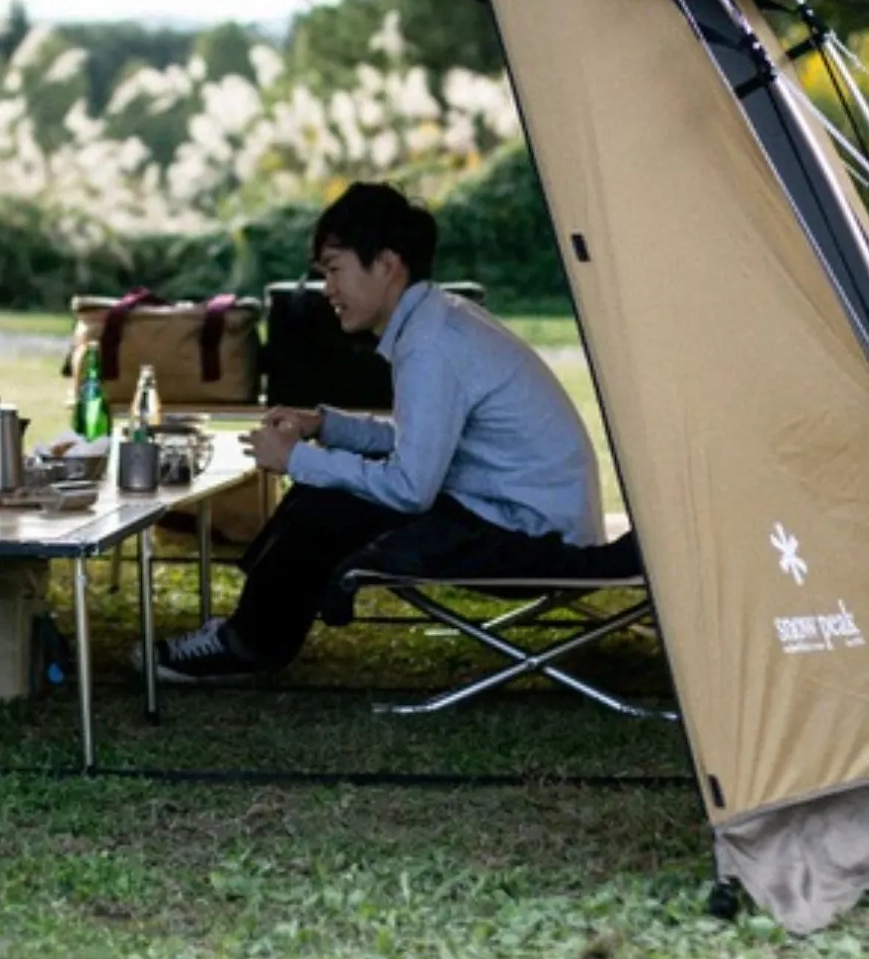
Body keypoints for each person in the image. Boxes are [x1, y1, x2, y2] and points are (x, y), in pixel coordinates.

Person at [153, 181, 606, 680]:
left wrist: (296, 458)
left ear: (387, 265)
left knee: (327, 503)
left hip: (535, 538)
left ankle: (248, 645)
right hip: (523, 515)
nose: (328, 290)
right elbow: (419, 441)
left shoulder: (431, 344)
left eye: (334, 270)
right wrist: (326, 426)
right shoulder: (436, 322)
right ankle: (249, 631)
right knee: (324, 492)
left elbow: (411, 487)